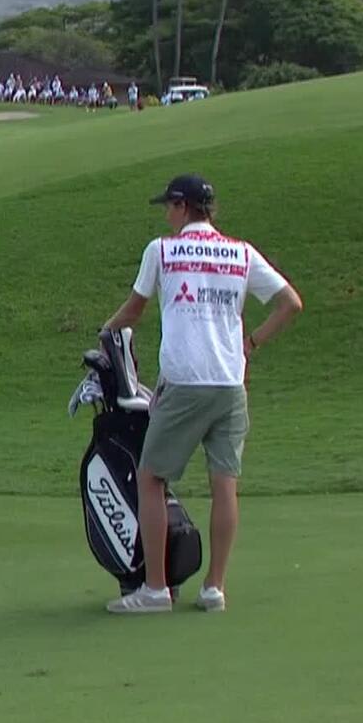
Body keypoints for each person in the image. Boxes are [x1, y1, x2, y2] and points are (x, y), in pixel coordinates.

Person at [101, 175, 303, 614]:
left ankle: (155, 589)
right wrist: (251, 344)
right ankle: (214, 587)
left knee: (151, 477)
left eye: (168, 207)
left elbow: (136, 308)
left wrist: (106, 330)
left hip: (186, 381)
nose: (165, 215)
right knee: (224, 484)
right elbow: (290, 303)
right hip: (230, 384)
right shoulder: (241, 252)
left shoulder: (163, 250)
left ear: (181, 206)